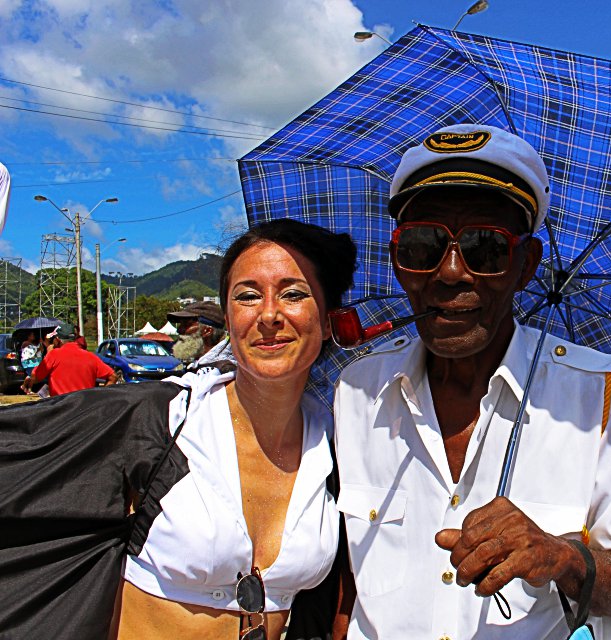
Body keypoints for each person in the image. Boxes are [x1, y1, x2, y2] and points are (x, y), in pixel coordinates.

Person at [331, 124, 611, 639]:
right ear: (399, 264)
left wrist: (563, 558)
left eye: (486, 249)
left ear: (526, 266)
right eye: (423, 246)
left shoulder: (598, 396)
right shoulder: (354, 392)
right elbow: (347, 585)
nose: (451, 272)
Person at [0, 220, 357, 640]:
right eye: (247, 296)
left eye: (294, 294)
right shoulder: (160, 419)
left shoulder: (339, 443)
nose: (269, 315)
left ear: (330, 319)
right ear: (228, 318)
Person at [20, 324, 117, 395]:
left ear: (57, 340)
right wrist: (100, 396)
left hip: (61, 409)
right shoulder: (91, 356)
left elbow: (36, 377)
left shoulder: (54, 355)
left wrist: (48, 354)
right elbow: (113, 377)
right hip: (85, 410)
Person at [168, 300, 226, 364]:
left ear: (207, 331)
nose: (179, 330)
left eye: (186, 324)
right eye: (181, 324)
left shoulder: (224, 368)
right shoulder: (200, 363)